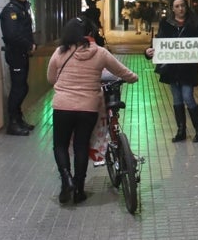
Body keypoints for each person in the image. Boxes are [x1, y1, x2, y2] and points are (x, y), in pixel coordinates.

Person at [47, 18, 138, 203]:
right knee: (81, 146)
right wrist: (133, 78)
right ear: (90, 33)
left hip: (62, 106)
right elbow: (122, 72)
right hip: (88, 108)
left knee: (60, 145)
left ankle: (66, 180)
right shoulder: (101, 53)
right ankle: (79, 189)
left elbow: (50, 78)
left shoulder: (60, 52)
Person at [149, 0, 198, 142]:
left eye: (182, 5)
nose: (180, 9)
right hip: (172, 69)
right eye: (177, 6)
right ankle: (181, 131)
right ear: (172, 9)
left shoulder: (195, 23)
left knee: (188, 96)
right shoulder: (166, 23)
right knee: (177, 99)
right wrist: (149, 52)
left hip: (188, 68)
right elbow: (159, 42)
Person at [0, 0, 35, 136]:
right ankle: (13, 123)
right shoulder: (10, 11)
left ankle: (18, 119)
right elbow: (12, 35)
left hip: (22, 54)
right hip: (15, 54)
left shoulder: (22, 8)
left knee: (22, 87)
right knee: (18, 89)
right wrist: (28, 45)